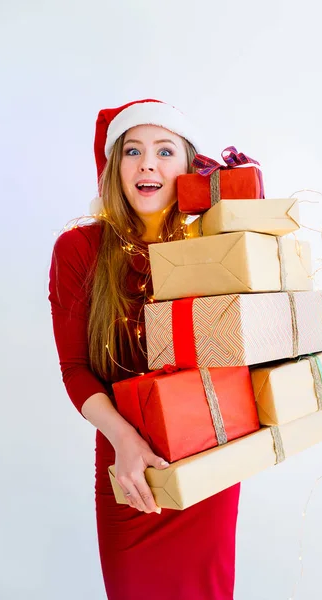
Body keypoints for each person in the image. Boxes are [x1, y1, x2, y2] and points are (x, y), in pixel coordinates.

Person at [48, 99, 241, 600]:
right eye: (132, 150)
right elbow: (74, 370)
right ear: (115, 169)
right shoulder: (78, 250)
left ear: (188, 168)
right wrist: (126, 442)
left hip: (209, 465)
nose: (147, 163)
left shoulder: (215, 248)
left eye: (164, 150)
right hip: (128, 471)